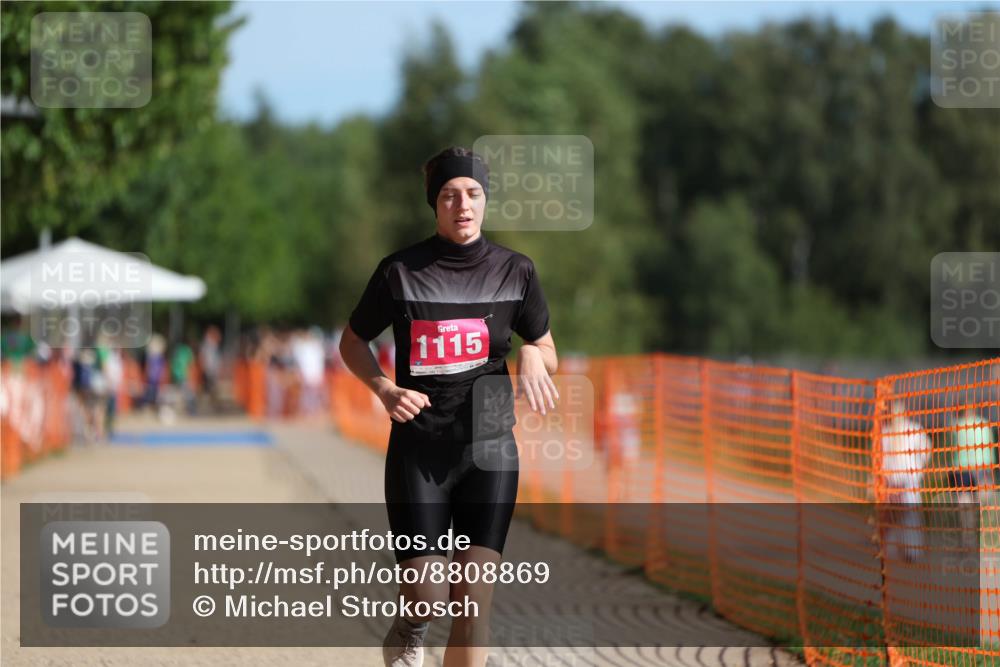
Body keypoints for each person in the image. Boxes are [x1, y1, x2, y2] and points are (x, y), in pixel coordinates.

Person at [339, 146, 558, 667]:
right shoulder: (399, 272)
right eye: (450, 195)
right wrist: (384, 389)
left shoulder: (517, 271)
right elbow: (352, 341)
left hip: (490, 449)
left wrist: (533, 354)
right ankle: (410, 625)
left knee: (472, 604)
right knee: (428, 594)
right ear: (434, 204)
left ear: (486, 200)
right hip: (420, 449)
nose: (463, 205)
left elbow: (547, 348)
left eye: (473, 194)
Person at [880, 399, 932, 562]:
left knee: (908, 515)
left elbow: (926, 451)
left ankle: (911, 551)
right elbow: (882, 459)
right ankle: (894, 549)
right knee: (893, 516)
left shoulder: (914, 430)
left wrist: (917, 468)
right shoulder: (887, 433)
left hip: (909, 481)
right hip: (895, 481)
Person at [948, 407, 998, 547]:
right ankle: (985, 537)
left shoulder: (956, 426)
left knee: (966, 506)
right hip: (982, 467)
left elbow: (950, 450)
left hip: (962, 470)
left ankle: (969, 538)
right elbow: (991, 447)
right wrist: (992, 470)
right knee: (984, 504)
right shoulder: (985, 423)